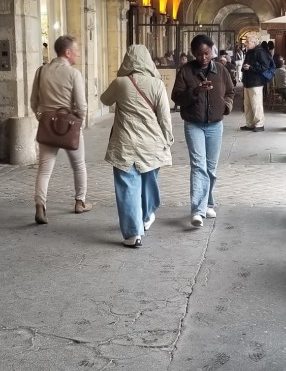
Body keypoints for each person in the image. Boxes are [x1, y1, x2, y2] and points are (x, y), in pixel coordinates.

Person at [100, 44, 174, 247]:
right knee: (149, 182)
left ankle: (133, 234)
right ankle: (147, 214)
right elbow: (165, 117)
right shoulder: (157, 84)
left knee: (127, 186)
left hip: (125, 145)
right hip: (152, 144)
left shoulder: (120, 83)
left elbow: (104, 100)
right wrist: (168, 140)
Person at [172, 33, 234, 227]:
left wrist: (226, 106)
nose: (203, 58)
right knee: (198, 166)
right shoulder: (186, 71)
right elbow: (177, 97)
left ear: (212, 50)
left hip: (215, 125)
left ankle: (208, 203)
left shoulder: (221, 71)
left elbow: (230, 91)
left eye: (206, 53)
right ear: (193, 54)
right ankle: (198, 210)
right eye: (199, 54)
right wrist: (195, 91)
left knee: (211, 167)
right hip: (194, 124)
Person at [30, 34, 93, 225]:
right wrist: (79, 121)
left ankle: (40, 206)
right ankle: (79, 202)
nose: (78, 55)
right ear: (67, 52)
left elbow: (34, 101)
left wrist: (41, 115)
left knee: (45, 168)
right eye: (76, 51)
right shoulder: (74, 74)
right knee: (78, 165)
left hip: (47, 124)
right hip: (69, 125)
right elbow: (82, 105)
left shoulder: (41, 71)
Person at [240, 35, 273, 131]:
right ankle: (249, 123)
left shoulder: (260, 52)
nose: (246, 44)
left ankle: (259, 124)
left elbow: (265, 66)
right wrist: (245, 67)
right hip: (247, 81)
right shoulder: (249, 52)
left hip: (256, 82)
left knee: (256, 104)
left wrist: (250, 67)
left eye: (248, 42)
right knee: (248, 104)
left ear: (253, 43)